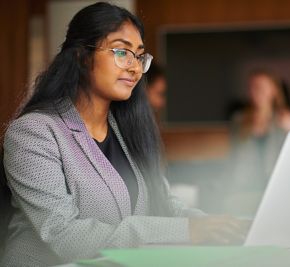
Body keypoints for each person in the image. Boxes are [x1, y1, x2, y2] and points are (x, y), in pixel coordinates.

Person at [1, 3, 248, 266]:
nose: (134, 67)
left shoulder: (128, 131)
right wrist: (188, 230)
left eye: (139, 56)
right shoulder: (33, 132)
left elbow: (164, 204)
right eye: (121, 52)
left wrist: (217, 224)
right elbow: (64, 234)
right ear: (81, 57)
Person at [225, 69, 290, 215]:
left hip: (276, 188)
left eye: (261, 87)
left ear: (274, 91)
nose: (255, 91)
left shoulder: (285, 119)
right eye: (252, 87)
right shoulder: (239, 120)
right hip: (245, 188)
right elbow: (235, 158)